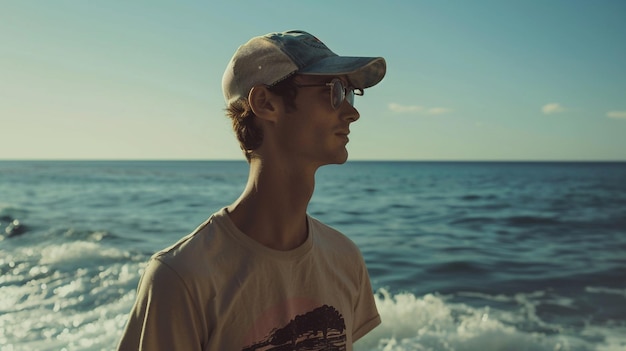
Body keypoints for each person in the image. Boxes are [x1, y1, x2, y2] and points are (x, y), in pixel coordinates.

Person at [117, 29, 386, 350]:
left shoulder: (344, 259)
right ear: (265, 103)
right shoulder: (182, 278)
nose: (352, 112)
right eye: (336, 90)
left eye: (351, 93)